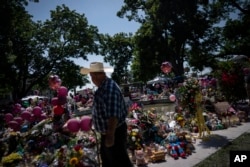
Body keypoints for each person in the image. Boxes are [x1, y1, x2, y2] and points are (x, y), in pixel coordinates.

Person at [80, 62, 133, 167]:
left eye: (91, 76)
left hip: (113, 133)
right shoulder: (104, 87)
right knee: (110, 162)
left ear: (96, 75)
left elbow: (113, 115)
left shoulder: (109, 89)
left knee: (119, 162)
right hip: (110, 132)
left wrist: (110, 136)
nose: (91, 79)